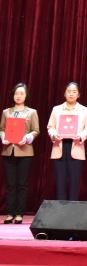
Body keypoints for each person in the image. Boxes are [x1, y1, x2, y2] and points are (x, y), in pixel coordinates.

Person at [0, 83, 39, 224]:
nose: (18, 96)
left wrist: (26, 138)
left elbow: (36, 130)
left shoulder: (31, 112)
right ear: (13, 95)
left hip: (25, 152)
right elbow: (2, 129)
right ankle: (10, 212)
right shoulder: (6, 112)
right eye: (16, 93)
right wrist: (3, 137)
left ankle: (19, 213)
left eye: (22, 94)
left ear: (26, 96)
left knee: (22, 184)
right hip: (9, 151)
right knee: (10, 184)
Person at [46, 82, 87, 201]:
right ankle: (61, 210)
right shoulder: (56, 109)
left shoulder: (84, 110)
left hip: (76, 147)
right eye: (69, 91)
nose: (71, 94)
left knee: (74, 182)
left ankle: (72, 209)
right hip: (59, 147)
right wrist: (54, 134)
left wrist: (81, 136)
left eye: (74, 92)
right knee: (60, 182)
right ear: (64, 94)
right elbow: (50, 127)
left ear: (79, 95)